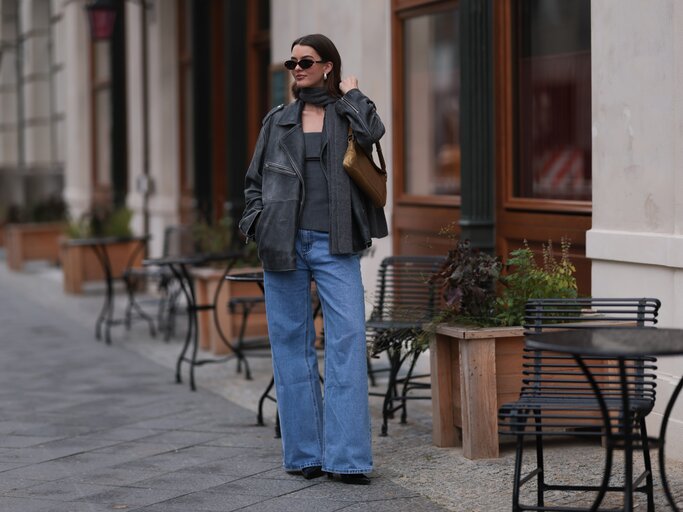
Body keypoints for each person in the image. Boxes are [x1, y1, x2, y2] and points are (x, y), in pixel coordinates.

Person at [239, 33, 387, 485]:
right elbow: (253, 184)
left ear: (327, 66)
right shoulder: (277, 121)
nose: (296, 68)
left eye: (305, 61)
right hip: (282, 244)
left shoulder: (347, 114)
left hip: (334, 242)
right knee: (290, 349)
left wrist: (353, 92)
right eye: (291, 62)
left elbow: (373, 133)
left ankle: (346, 459)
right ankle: (304, 454)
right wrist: (257, 223)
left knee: (345, 344)